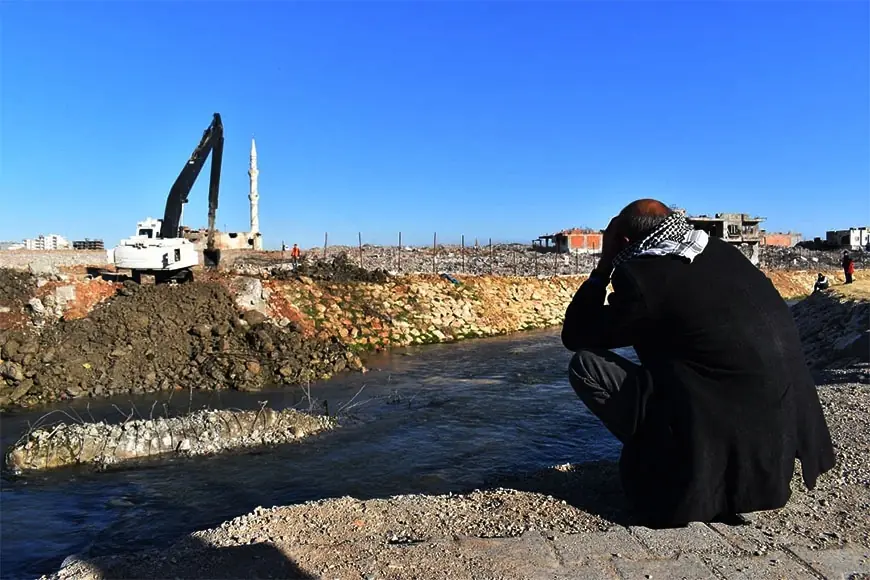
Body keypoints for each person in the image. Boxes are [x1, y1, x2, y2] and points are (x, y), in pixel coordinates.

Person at [561, 199, 834, 527]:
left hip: (719, 445)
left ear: (624, 241)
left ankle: (666, 461)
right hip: (778, 450)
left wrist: (604, 267)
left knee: (587, 366)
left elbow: (576, 335)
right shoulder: (724, 254)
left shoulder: (644, 276)